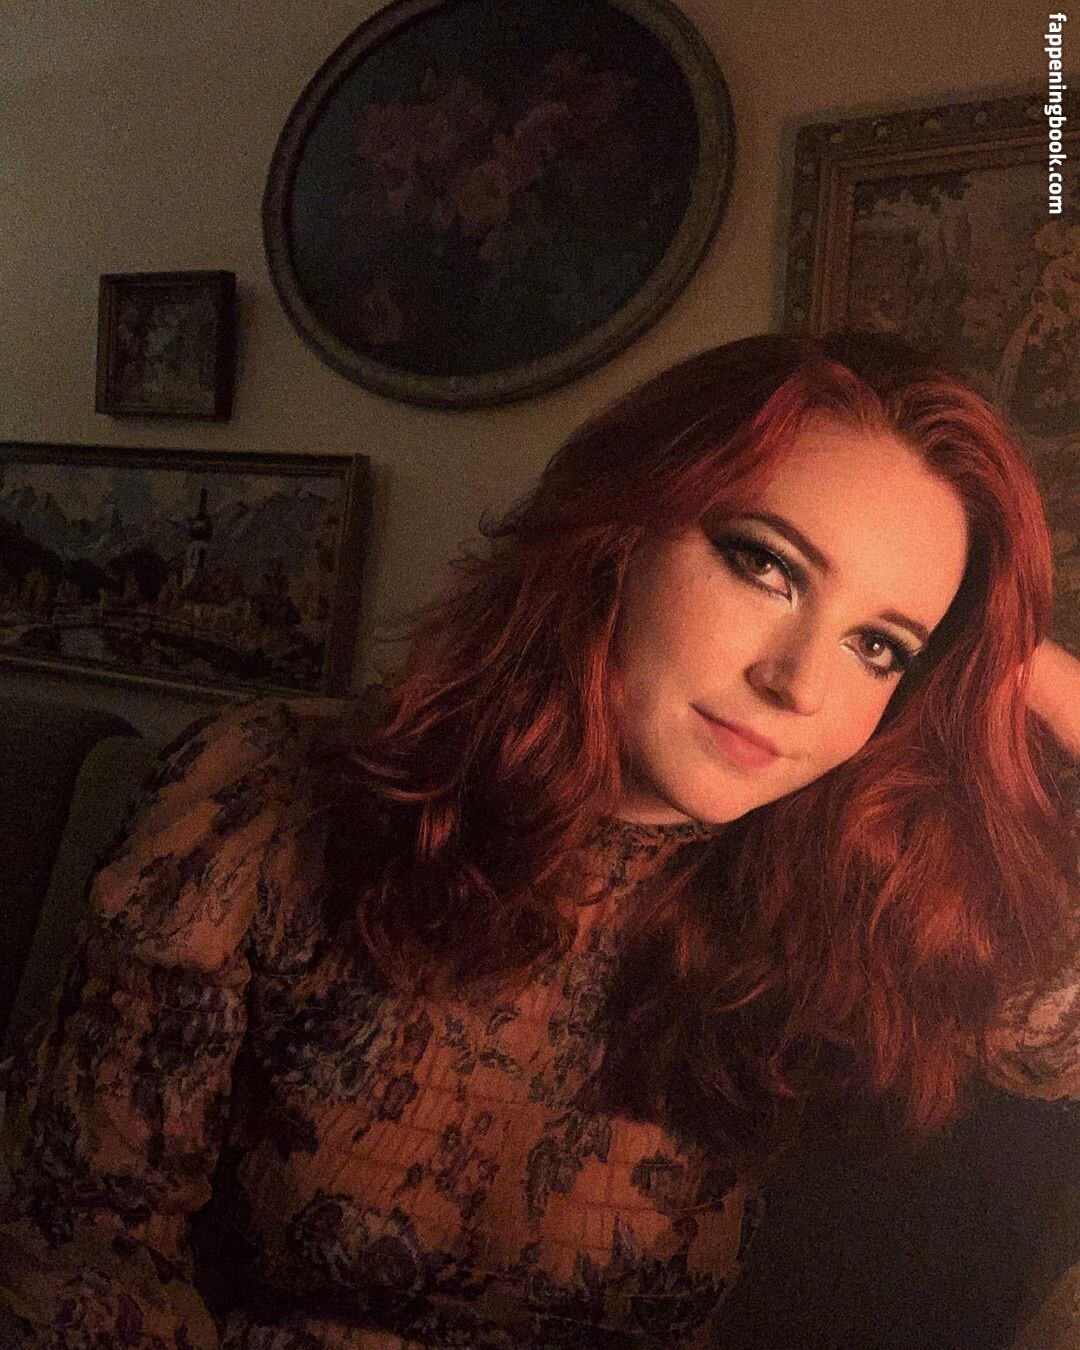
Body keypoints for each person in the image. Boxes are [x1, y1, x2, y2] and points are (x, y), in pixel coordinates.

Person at [0, 331, 1077, 1349]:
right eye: (766, 566)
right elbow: (75, 1247)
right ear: (617, 531)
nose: (799, 685)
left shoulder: (849, 900)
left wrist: (1015, 667)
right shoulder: (268, 794)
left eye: (879, 645)